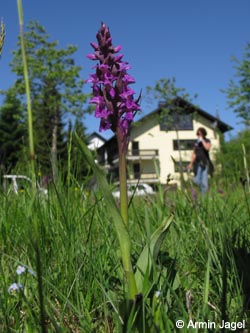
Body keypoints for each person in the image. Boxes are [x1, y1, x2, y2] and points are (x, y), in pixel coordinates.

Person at [187, 127, 213, 194]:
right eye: (198, 134)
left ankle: (203, 198)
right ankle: (199, 191)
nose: (199, 135)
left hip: (204, 163)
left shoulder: (207, 141)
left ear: (203, 134)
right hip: (197, 163)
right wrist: (190, 163)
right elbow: (194, 154)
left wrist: (202, 140)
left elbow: (207, 148)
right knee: (196, 180)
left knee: (204, 182)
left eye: (200, 134)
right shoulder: (196, 143)